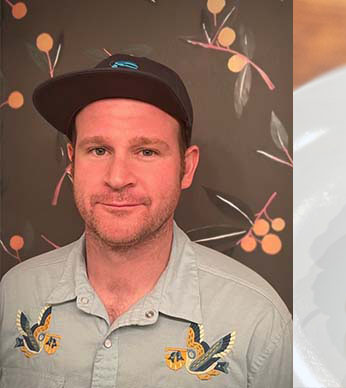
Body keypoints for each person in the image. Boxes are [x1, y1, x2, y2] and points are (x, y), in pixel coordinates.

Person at [0, 54, 291, 387]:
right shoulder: (14, 295)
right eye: (98, 150)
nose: (118, 177)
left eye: (147, 151)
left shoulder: (258, 322)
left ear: (187, 167)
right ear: (71, 162)